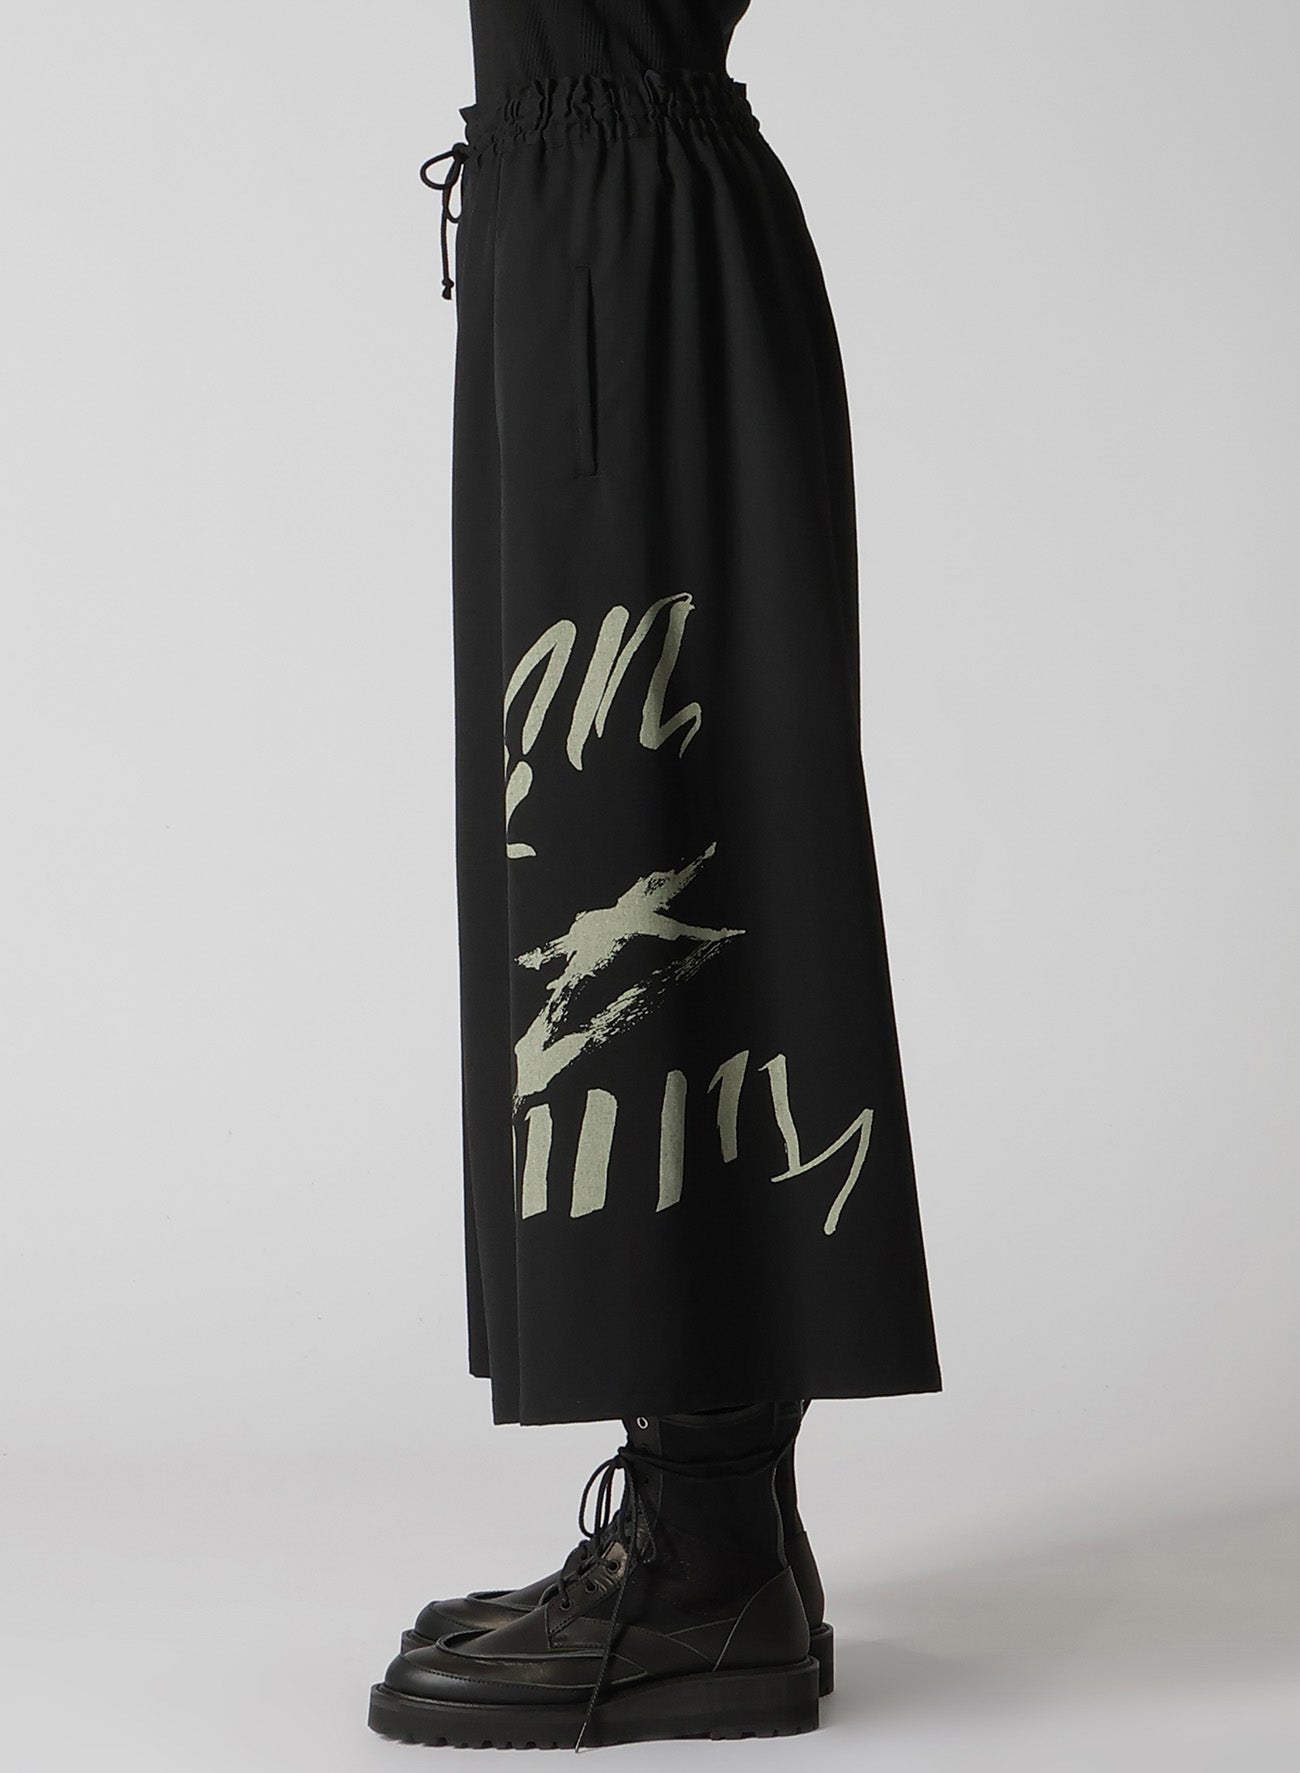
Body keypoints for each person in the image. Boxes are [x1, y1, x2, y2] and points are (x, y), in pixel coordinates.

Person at [368, 0, 942, 1750]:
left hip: (632, 237)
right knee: (599, 842)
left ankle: (710, 1566)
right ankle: (722, 1527)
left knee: (652, 853)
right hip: (584, 228)